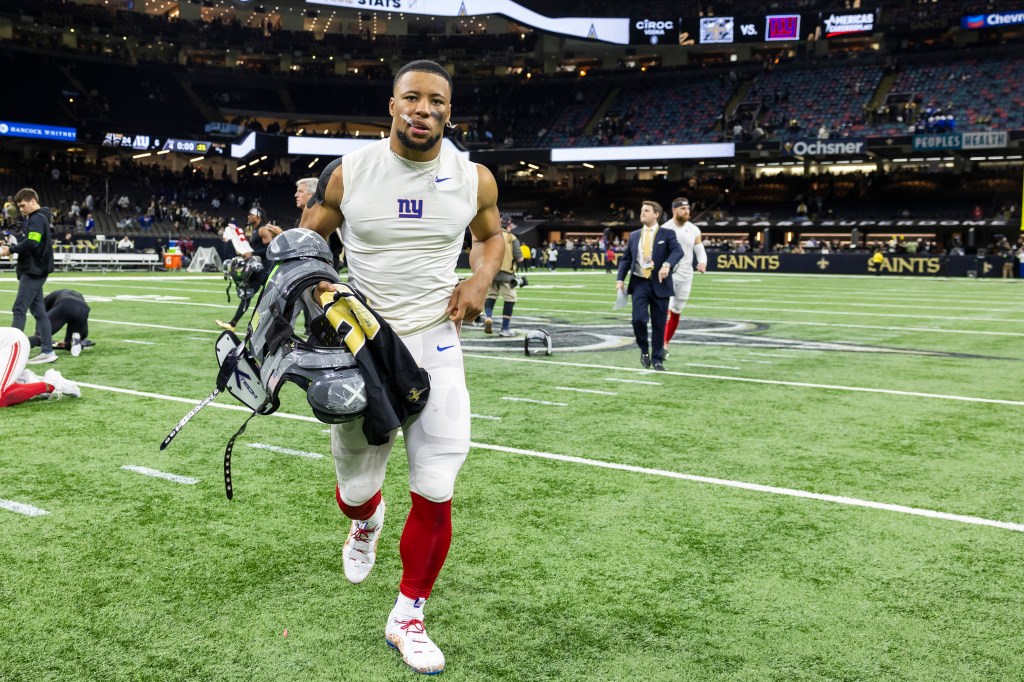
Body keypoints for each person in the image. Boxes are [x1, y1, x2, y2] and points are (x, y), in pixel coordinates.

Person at [299, 59, 503, 675]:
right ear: (392, 106)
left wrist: (481, 280)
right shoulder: (349, 172)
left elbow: (492, 237)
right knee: (357, 490)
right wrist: (319, 298)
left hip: (436, 341)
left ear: (449, 111)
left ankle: (408, 613)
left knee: (437, 483)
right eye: (412, 98)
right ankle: (365, 523)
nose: (424, 109)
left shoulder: (474, 178)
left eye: (436, 101)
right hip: (363, 346)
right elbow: (308, 249)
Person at [616, 201, 682, 371]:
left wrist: (667, 264)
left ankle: (657, 359)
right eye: (641, 210)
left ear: (656, 214)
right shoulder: (634, 235)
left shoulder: (667, 234)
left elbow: (678, 251)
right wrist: (620, 279)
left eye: (646, 210)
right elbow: (626, 259)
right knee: (638, 320)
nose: (642, 213)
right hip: (639, 282)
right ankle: (644, 349)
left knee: (659, 324)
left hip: (660, 283)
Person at [0, 188, 57, 364]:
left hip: (33, 270)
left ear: (33, 201)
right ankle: (47, 350)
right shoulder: (39, 218)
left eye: (23, 206)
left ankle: (12, 353)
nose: (21, 210)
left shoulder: (37, 218)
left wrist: (10, 249)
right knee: (39, 312)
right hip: (37, 269)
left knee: (19, 309)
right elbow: (32, 240)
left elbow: (32, 242)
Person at [662, 198, 707, 354]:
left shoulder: (694, 229)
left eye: (688, 208)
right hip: (667, 273)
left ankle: (666, 342)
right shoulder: (664, 228)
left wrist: (702, 262)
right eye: (683, 209)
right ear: (674, 210)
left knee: (677, 309)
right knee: (664, 309)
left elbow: (699, 248)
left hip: (687, 274)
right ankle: (661, 343)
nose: (686, 211)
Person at [215, 209, 273, 331]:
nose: (248, 216)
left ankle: (234, 324)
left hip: (264, 268)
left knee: (249, 295)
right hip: (258, 267)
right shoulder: (255, 230)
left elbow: (270, 249)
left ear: (258, 216)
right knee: (258, 298)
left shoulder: (262, 229)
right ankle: (244, 324)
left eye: (251, 214)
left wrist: (251, 253)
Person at [0, 327, 80, 407]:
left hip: (10, 342)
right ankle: (26, 381)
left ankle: (52, 384)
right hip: (6, 343)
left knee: (1, 397)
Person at [482, 214, 524, 337]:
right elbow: (520, 258)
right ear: (510, 225)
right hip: (507, 275)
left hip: (491, 273)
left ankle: (488, 317)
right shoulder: (512, 238)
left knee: (490, 296)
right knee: (510, 300)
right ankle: (504, 329)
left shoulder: (491, 237)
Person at [28, 289, 91, 357]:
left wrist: (38, 333)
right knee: (69, 343)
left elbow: (42, 319)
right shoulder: (75, 295)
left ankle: (18, 344)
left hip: (66, 303)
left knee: (40, 337)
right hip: (84, 309)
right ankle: (73, 342)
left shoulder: (46, 301)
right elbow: (84, 333)